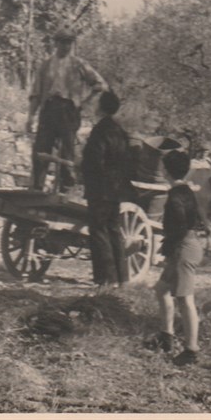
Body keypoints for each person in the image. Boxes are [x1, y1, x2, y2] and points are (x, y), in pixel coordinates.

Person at [26, 25, 109, 191]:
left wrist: (84, 103)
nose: (66, 46)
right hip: (48, 110)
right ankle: (36, 187)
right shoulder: (45, 65)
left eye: (69, 42)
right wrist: (30, 117)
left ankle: (66, 188)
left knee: (67, 151)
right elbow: (35, 94)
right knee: (41, 149)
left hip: (69, 111)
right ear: (55, 43)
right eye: (62, 42)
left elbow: (100, 85)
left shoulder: (79, 64)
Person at [151, 150, 204, 366]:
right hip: (184, 245)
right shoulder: (186, 190)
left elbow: (180, 224)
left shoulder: (175, 196)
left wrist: (168, 245)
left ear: (165, 170)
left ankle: (191, 350)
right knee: (161, 289)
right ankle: (166, 337)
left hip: (184, 247)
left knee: (185, 299)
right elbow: (196, 220)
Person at [81, 90, 134, 287]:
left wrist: (82, 172)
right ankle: (123, 278)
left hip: (99, 188)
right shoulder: (121, 132)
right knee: (114, 231)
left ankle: (106, 279)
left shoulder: (100, 131)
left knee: (99, 231)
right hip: (116, 189)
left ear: (101, 107)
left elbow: (94, 160)